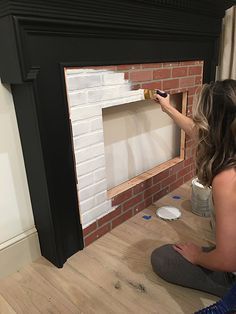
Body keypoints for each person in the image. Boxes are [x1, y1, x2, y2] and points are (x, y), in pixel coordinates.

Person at [151, 80, 236, 304]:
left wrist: (198, 256)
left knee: (162, 259)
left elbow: (228, 259)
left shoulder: (228, 178)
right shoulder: (230, 143)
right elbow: (195, 130)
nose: (198, 122)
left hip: (232, 264)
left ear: (212, 125)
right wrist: (168, 107)